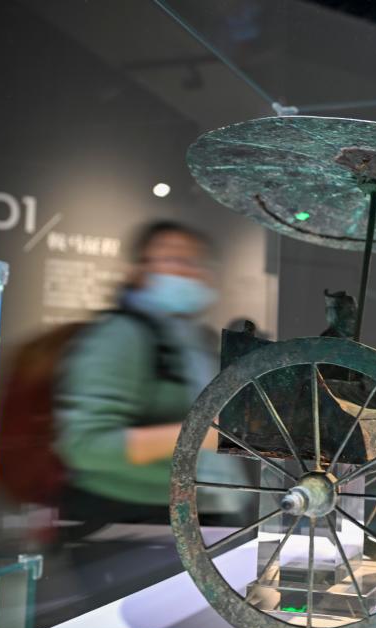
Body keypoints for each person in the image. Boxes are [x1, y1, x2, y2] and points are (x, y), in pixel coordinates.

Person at [54, 220, 239, 531]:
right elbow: (84, 445)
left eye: (194, 262)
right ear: (139, 271)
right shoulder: (120, 335)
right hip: (121, 519)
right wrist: (206, 434)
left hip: (189, 512)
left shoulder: (198, 341)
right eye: (173, 259)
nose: (186, 272)